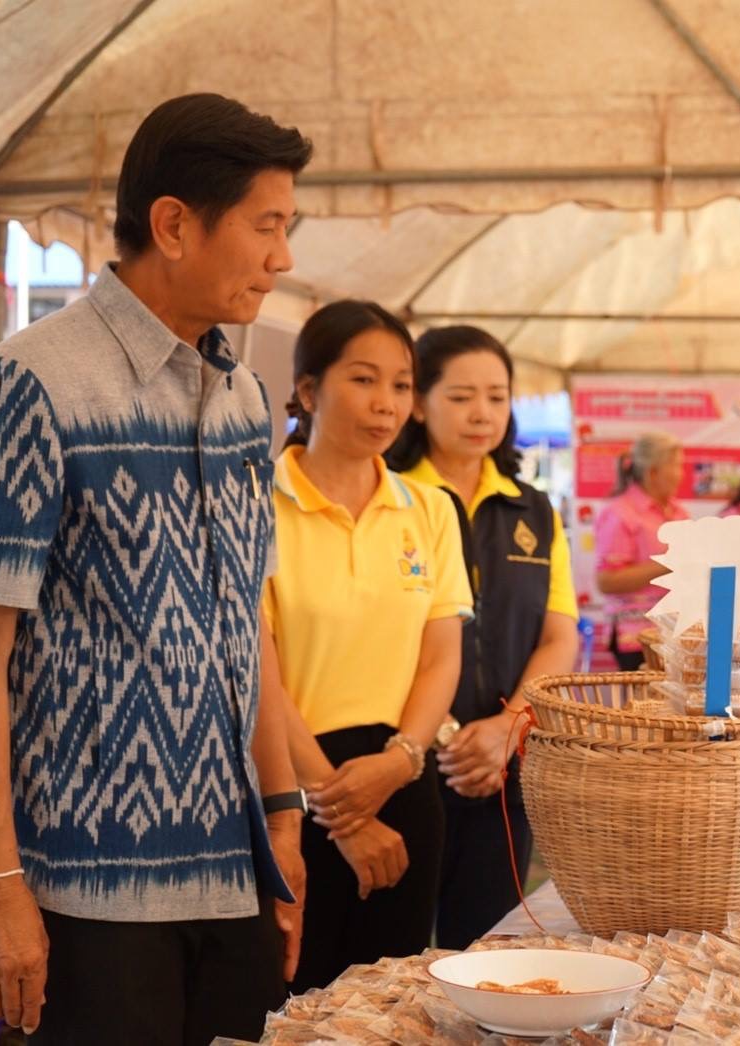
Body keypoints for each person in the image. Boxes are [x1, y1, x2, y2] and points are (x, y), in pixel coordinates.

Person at [0, 93, 312, 1044]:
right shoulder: (28, 383)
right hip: (84, 901)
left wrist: (283, 819)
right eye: (267, 226)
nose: (284, 258)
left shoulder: (244, 396)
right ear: (175, 224)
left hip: (234, 882)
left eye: (287, 228)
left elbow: (244, 627)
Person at [261, 301, 472, 992]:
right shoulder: (256, 503)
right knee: (292, 1008)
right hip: (289, 794)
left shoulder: (432, 509)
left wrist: (402, 759)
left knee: (391, 1008)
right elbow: (255, 667)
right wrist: (334, 806)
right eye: (363, 380)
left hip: (403, 788)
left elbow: (441, 653)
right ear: (309, 390)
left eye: (401, 385)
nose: (386, 404)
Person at [386, 325, 580, 949]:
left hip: (502, 766)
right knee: (391, 952)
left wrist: (507, 728)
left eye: (497, 397)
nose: (482, 414)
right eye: (463, 395)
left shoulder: (532, 510)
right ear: (419, 402)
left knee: (486, 948)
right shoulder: (390, 499)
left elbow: (559, 636)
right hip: (402, 759)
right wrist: (440, 736)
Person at [593, 432, 689, 670]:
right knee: (647, 703)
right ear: (653, 472)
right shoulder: (620, 513)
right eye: (676, 466)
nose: (681, 474)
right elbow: (607, 582)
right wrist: (669, 563)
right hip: (635, 635)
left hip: (674, 631)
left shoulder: (679, 512)